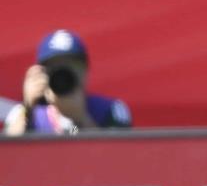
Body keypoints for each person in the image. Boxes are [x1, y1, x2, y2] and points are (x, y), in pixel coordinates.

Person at [4, 29, 132, 136]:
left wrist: (80, 118)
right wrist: (28, 109)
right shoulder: (27, 114)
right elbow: (9, 157)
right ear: (41, 73)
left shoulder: (110, 110)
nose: (62, 74)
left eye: (70, 67)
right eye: (54, 67)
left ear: (85, 72)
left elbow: (117, 159)